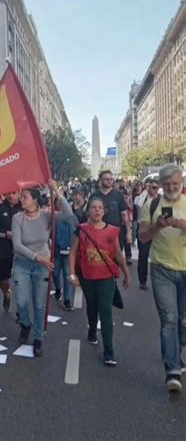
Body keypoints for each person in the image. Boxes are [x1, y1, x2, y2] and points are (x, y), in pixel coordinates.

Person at [139, 164, 186, 393]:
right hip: (161, 269)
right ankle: (172, 371)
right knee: (169, 319)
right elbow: (143, 237)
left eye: (175, 184)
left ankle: (177, 354)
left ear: (181, 184)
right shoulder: (152, 205)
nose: (171, 188)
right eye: (166, 184)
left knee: (183, 321)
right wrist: (158, 225)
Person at [12, 180, 73, 357]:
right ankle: (25, 324)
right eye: (21, 197)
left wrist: (56, 191)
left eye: (25, 197)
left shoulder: (47, 216)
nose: (22, 200)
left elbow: (68, 215)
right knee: (22, 301)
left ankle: (38, 338)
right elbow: (17, 245)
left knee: (39, 304)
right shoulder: (18, 218)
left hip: (42, 267)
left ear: (35, 200)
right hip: (23, 264)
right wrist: (38, 258)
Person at [68, 197, 130, 366]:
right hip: (88, 276)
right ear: (88, 211)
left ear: (104, 211)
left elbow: (117, 253)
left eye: (99, 208)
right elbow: (73, 252)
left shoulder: (112, 231)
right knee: (92, 306)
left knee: (106, 312)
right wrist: (72, 274)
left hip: (107, 277)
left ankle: (109, 350)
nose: (96, 210)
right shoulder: (80, 230)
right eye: (93, 207)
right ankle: (92, 329)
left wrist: (126, 272)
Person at [0, 191, 22, 312]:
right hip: (3, 246)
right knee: (2, 279)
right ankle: (6, 294)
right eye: (8, 193)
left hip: (21, 248)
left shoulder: (25, 207)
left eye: (13, 193)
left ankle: (21, 310)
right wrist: (5, 234)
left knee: (21, 280)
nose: (10, 196)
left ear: (19, 194)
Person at [91, 171, 132, 264]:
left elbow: (124, 214)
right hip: (99, 231)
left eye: (111, 179)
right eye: (106, 179)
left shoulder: (118, 195)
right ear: (101, 180)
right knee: (100, 258)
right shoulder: (94, 195)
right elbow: (89, 214)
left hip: (116, 231)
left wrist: (128, 232)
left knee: (116, 257)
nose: (109, 181)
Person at [135, 179, 160, 290]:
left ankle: (160, 280)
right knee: (143, 255)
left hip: (157, 231)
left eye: (155, 188)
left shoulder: (161, 200)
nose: (153, 190)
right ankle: (142, 280)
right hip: (144, 230)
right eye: (150, 187)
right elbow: (138, 205)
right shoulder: (140, 197)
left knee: (158, 256)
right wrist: (145, 192)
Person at [53, 202, 76, 310]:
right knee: (56, 273)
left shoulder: (73, 218)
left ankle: (67, 300)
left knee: (67, 275)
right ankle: (58, 288)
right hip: (57, 251)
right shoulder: (54, 217)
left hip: (68, 251)